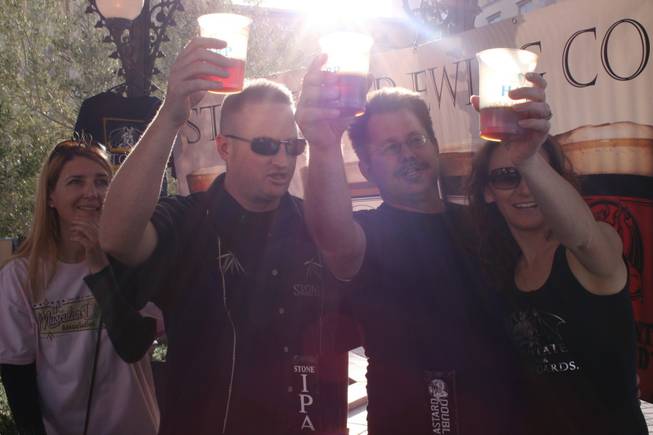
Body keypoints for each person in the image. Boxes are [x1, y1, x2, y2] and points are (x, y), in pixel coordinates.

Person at [99, 37, 350, 435]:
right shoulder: (190, 221)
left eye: (292, 146)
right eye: (265, 146)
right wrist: (170, 117)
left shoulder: (314, 224)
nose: (282, 159)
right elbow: (117, 237)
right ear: (224, 148)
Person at [295, 55, 553, 434]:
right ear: (366, 169)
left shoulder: (484, 222)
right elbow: (331, 234)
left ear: (434, 145)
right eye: (390, 148)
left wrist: (531, 147)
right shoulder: (368, 234)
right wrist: (323, 145)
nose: (409, 154)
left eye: (416, 140)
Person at [466, 136, 647, 434]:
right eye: (507, 176)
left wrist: (529, 159)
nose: (526, 188)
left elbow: (585, 239)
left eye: (538, 173)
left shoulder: (589, 250)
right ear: (488, 191)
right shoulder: (503, 276)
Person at [0, 139, 159, 435]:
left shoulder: (133, 259)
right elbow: (17, 377)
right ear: (51, 196)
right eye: (76, 182)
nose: (92, 193)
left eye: (102, 181)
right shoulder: (20, 276)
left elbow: (136, 344)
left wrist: (99, 264)